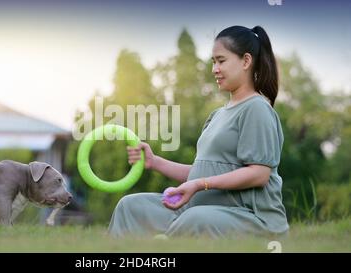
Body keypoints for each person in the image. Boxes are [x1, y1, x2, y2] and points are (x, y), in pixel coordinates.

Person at [108, 25, 289, 238]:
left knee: (194, 220)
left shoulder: (256, 109)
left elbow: (259, 174)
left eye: (221, 61)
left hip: (249, 217)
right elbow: (201, 171)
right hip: (195, 210)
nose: (215, 69)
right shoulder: (217, 115)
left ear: (246, 61)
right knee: (130, 206)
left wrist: (200, 184)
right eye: (213, 62)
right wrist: (155, 162)